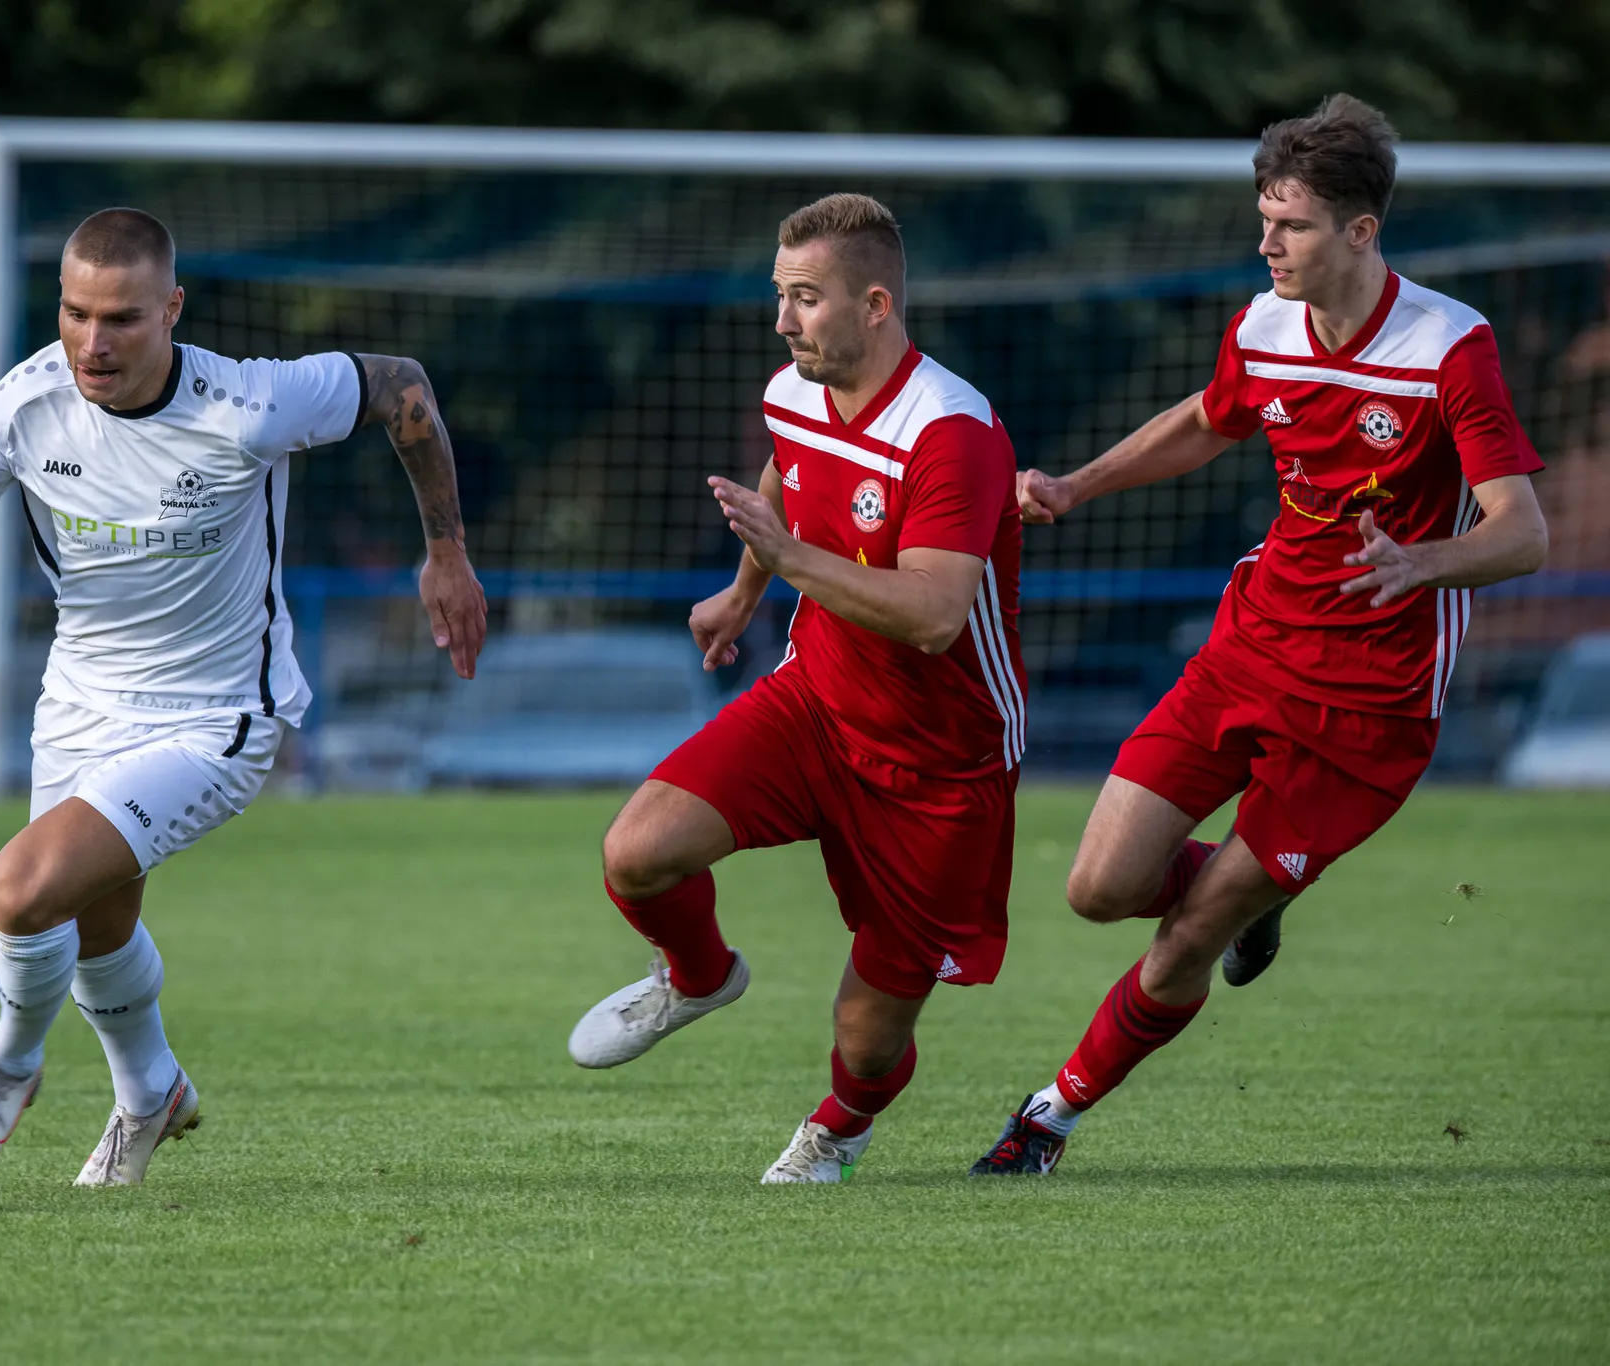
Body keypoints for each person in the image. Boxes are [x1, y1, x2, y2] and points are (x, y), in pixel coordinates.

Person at [0, 207, 487, 1186]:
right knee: (96, 925)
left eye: (121, 317)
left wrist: (445, 550)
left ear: (171, 309)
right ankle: (150, 1091)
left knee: (22, 889)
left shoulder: (249, 403)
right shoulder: (26, 403)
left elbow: (401, 385)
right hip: (79, 706)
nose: (92, 341)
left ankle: (7, 1063)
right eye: (75, 313)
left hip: (217, 718)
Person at [970, 95, 1547, 1176]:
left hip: (1368, 710)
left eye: (1291, 225)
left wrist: (1421, 560)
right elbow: (1207, 418)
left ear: (1360, 231)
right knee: (1096, 888)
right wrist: (1077, 484)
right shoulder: (1262, 325)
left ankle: (1047, 1118)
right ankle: (1251, 892)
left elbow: (1523, 531)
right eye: (1264, 219)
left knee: (1188, 932)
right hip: (1249, 650)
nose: (1267, 243)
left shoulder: (1447, 349)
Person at [565, 193, 1027, 1184]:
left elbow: (935, 615)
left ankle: (839, 1128)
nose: (782, 320)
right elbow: (790, 468)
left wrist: (786, 560)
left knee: (867, 1034)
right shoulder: (793, 391)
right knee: (636, 853)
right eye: (779, 296)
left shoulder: (951, 431)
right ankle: (697, 975)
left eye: (805, 299)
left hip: (940, 762)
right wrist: (744, 594)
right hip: (814, 701)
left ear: (874, 303)